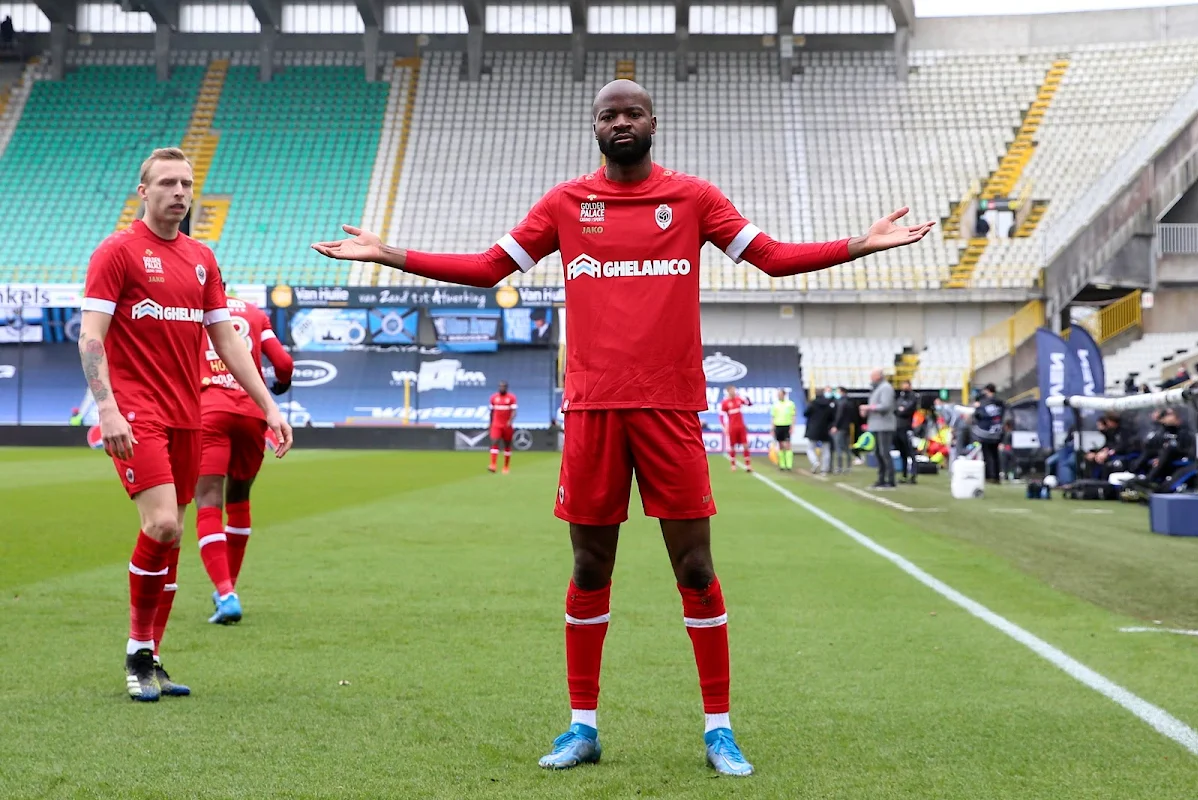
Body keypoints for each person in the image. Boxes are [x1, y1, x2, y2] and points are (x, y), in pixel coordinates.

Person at [312, 79, 932, 776]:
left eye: (632, 111)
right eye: (608, 114)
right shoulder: (566, 204)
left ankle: (719, 729)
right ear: (595, 128)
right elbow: (489, 269)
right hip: (592, 411)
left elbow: (771, 257)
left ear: (653, 121)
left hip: (670, 410)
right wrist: (392, 254)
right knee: (588, 565)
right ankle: (582, 726)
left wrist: (861, 244)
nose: (621, 122)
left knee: (695, 568)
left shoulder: (694, 198)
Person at [80, 147, 292, 702]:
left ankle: (153, 656)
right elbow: (90, 337)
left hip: (188, 416)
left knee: (171, 535)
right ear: (143, 191)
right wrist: (107, 408)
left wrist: (268, 406)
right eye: (168, 183)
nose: (179, 192)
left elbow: (227, 340)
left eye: (187, 184)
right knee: (164, 527)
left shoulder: (202, 257)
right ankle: (136, 653)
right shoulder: (117, 252)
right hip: (136, 413)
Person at [194, 290, 294, 624]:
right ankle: (229, 589)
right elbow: (283, 363)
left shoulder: (193, 310)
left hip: (209, 408)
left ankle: (225, 592)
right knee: (240, 499)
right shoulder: (253, 312)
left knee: (208, 499)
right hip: (252, 410)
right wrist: (279, 387)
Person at [861, 369, 896, 489]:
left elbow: (885, 405)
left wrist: (869, 408)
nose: (871, 378)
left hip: (884, 425)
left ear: (878, 377)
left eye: (872, 376)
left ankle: (890, 480)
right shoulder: (876, 389)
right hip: (876, 425)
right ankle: (881, 478)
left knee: (884, 452)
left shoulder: (886, 388)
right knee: (878, 453)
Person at [719, 384, 752, 472]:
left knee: (745, 445)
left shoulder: (739, 399)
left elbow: (749, 404)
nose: (734, 392)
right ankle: (733, 465)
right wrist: (724, 426)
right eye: (732, 390)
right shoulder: (725, 403)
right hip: (732, 427)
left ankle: (748, 465)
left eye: (734, 390)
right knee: (732, 446)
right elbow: (721, 416)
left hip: (741, 426)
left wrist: (748, 399)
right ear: (728, 391)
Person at [488, 380, 518, 473]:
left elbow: (514, 411)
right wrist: (490, 423)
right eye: (500, 386)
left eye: (503, 386)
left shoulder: (511, 398)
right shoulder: (494, 398)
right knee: (494, 442)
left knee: (507, 445)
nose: (502, 388)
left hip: (507, 425)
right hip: (496, 425)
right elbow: (491, 412)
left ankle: (506, 466)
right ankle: (493, 465)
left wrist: (510, 421)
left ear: (506, 387)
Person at [804, 386, 834, 474]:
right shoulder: (828, 404)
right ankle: (824, 469)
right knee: (826, 450)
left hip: (814, 429)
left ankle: (815, 461)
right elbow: (832, 417)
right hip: (825, 429)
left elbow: (805, 413)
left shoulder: (813, 404)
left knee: (810, 448)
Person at [893, 380, 919, 484]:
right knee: (902, 453)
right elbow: (895, 409)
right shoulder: (901, 396)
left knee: (911, 453)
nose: (903, 386)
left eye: (905, 384)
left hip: (907, 428)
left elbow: (906, 410)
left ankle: (913, 475)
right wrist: (899, 409)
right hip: (897, 427)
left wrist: (900, 410)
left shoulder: (913, 396)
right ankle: (904, 475)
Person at [771, 388, 798, 473]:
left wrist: (793, 427)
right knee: (781, 445)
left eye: (780, 394)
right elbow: (773, 417)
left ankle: (789, 465)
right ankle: (782, 465)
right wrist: (772, 428)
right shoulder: (775, 405)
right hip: (778, 426)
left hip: (787, 426)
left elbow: (793, 416)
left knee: (787, 445)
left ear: (784, 395)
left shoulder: (790, 404)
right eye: (778, 394)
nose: (779, 396)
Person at [830, 387, 853, 474]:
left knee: (838, 447)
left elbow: (839, 415)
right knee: (847, 448)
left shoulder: (841, 403)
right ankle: (848, 467)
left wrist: (835, 426)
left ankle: (839, 467)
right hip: (847, 427)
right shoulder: (849, 402)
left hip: (840, 428)